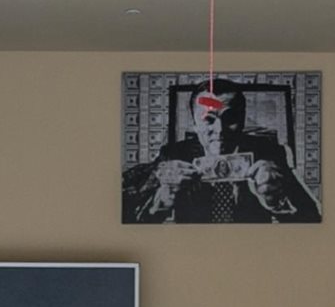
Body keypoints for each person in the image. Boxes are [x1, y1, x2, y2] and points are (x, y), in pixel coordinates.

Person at [123, 87, 320, 224]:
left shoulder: (269, 152)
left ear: (242, 119)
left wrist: (278, 203)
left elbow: (312, 218)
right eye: (208, 120)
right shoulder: (174, 154)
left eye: (230, 118)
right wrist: (162, 200)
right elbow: (128, 219)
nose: (220, 130)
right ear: (194, 123)